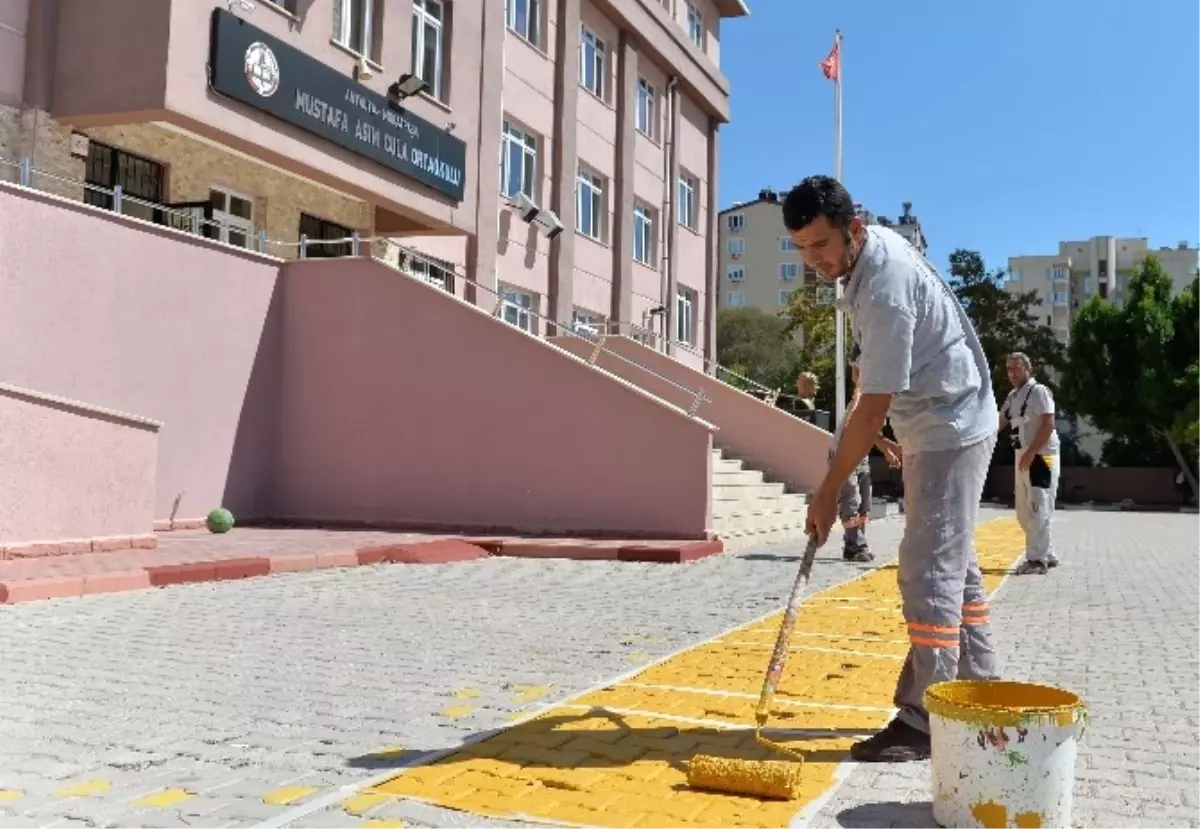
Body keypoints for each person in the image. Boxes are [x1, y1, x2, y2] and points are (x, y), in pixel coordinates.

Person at [784, 175, 999, 763]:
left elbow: (876, 397)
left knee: (927, 570)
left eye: (821, 246)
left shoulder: (883, 282)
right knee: (956, 567)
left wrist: (829, 491)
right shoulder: (865, 258)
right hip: (945, 421)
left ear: (852, 229)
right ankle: (977, 691)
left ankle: (925, 720)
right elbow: (869, 390)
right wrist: (856, 446)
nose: (813, 261)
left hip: (948, 427)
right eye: (801, 249)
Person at [831, 348, 901, 563]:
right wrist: (888, 448)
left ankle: (854, 543)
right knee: (851, 500)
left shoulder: (876, 398)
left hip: (860, 456)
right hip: (845, 455)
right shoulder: (861, 398)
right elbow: (861, 427)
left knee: (864, 504)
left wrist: (888, 449)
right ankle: (856, 546)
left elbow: (872, 432)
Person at [998, 352, 1060, 574]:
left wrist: (1032, 452)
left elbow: (1048, 424)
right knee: (1023, 510)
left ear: (1027, 369)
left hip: (1041, 455)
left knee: (1038, 507)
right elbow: (1000, 421)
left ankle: (1036, 560)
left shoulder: (1039, 392)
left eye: (1016, 368)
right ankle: (1048, 553)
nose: (1012, 373)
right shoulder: (1014, 397)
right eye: (1008, 369)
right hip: (1022, 455)